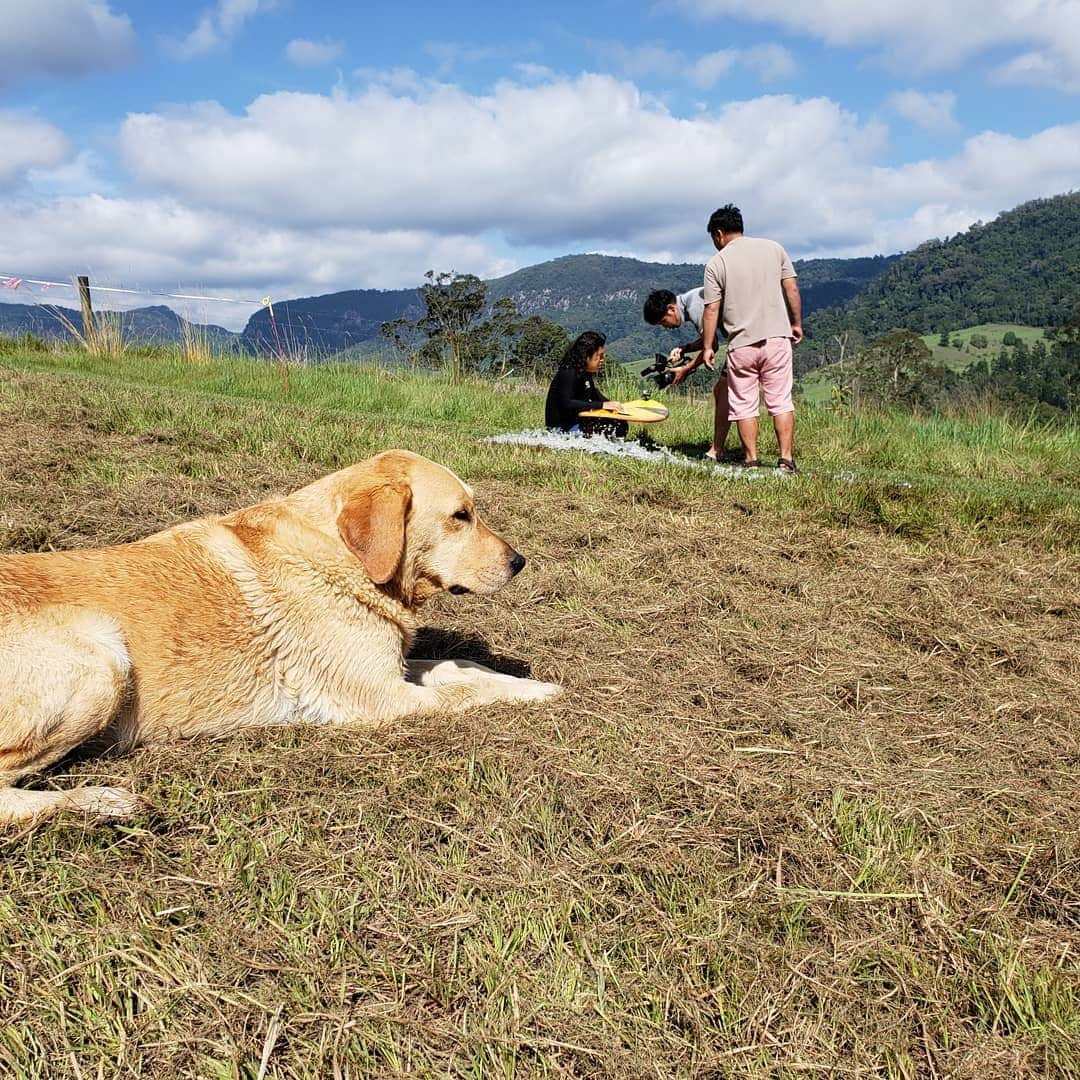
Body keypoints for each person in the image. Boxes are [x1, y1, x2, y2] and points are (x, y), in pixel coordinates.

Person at [672, 205, 802, 473]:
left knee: (744, 406)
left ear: (718, 234)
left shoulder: (716, 264)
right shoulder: (774, 248)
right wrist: (796, 323)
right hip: (777, 339)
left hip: (741, 345)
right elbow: (791, 288)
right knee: (780, 401)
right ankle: (786, 460)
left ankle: (751, 461)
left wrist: (708, 347)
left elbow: (711, 309)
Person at [642, 286, 736, 461]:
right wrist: (685, 349)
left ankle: (719, 451)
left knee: (723, 392)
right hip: (755, 334)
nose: (666, 327)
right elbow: (707, 339)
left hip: (744, 341)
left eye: (664, 321)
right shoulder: (691, 300)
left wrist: (686, 369)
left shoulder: (694, 306)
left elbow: (712, 345)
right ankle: (724, 450)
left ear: (671, 309)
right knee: (725, 391)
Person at [544, 331, 628, 438]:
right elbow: (567, 403)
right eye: (599, 356)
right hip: (561, 429)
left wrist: (613, 405)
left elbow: (594, 394)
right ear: (587, 356)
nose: (602, 360)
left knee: (620, 424)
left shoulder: (585, 372)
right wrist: (602, 405)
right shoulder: (568, 372)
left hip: (576, 422)